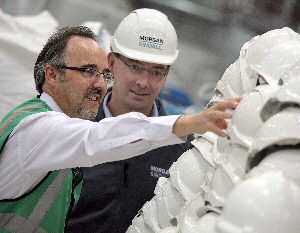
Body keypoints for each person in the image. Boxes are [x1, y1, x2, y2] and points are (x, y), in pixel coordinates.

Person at [0, 25, 239, 233]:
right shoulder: (38, 129)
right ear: (52, 74)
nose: (100, 84)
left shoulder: (182, 151)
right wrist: (184, 123)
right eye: (88, 72)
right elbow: (98, 137)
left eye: (103, 75)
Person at [67, 8, 195, 233]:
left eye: (156, 72)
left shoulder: (182, 146)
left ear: (166, 75)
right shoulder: (75, 126)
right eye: (135, 67)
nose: (143, 82)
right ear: (112, 64)